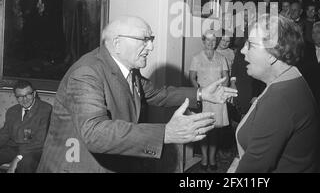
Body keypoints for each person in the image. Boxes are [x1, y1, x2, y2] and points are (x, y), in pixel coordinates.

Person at [37, 16, 237, 173]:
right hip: (77, 167)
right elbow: (94, 133)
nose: (150, 47)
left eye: (151, 40)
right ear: (117, 44)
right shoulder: (87, 73)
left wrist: (201, 93)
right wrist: (165, 133)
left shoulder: (128, 69)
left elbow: (158, 94)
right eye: (145, 39)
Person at [228, 14, 318, 173]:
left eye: (250, 45)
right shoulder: (291, 78)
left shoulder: (280, 100)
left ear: (271, 54)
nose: (242, 50)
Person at [190, 30, 230, 171]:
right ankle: (204, 158)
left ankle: (212, 159)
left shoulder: (221, 58)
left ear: (216, 42)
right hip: (203, 98)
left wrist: (222, 92)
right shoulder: (196, 58)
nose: (211, 43)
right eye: (208, 40)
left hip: (217, 99)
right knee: (204, 130)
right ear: (203, 41)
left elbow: (226, 78)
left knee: (214, 130)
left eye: (214, 41)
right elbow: (192, 78)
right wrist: (199, 93)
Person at [0, 80, 52, 173]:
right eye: (20, 96)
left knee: (25, 163)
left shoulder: (46, 109)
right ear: (16, 97)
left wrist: (17, 158)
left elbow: (40, 142)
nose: (25, 99)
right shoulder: (12, 111)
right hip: (13, 147)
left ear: (34, 93)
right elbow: (4, 134)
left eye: (28, 94)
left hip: (35, 150)